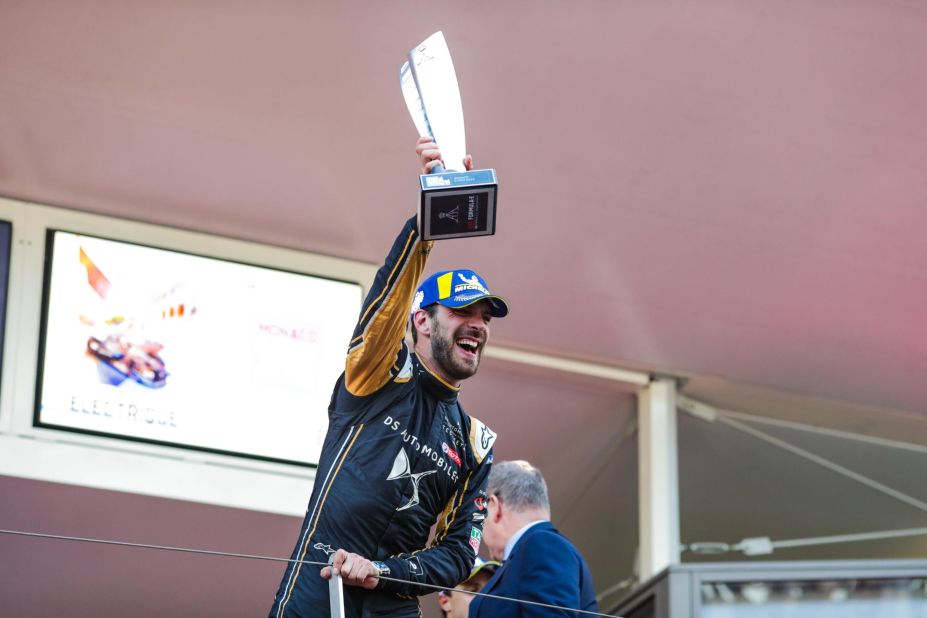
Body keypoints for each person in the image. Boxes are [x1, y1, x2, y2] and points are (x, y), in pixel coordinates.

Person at [268, 138, 509, 618]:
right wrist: (430, 219)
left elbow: (462, 553)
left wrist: (382, 570)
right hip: (315, 596)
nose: (478, 324)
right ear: (422, 321)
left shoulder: (474, 443)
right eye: (462, 311)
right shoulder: (381, 374)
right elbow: (387, 304)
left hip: (392, 607)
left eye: (485, 316)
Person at [468, 460, 598, 617]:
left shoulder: (541, 545)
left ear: (494, 506)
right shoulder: (541, 547)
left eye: (480, 514)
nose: (480, 527)